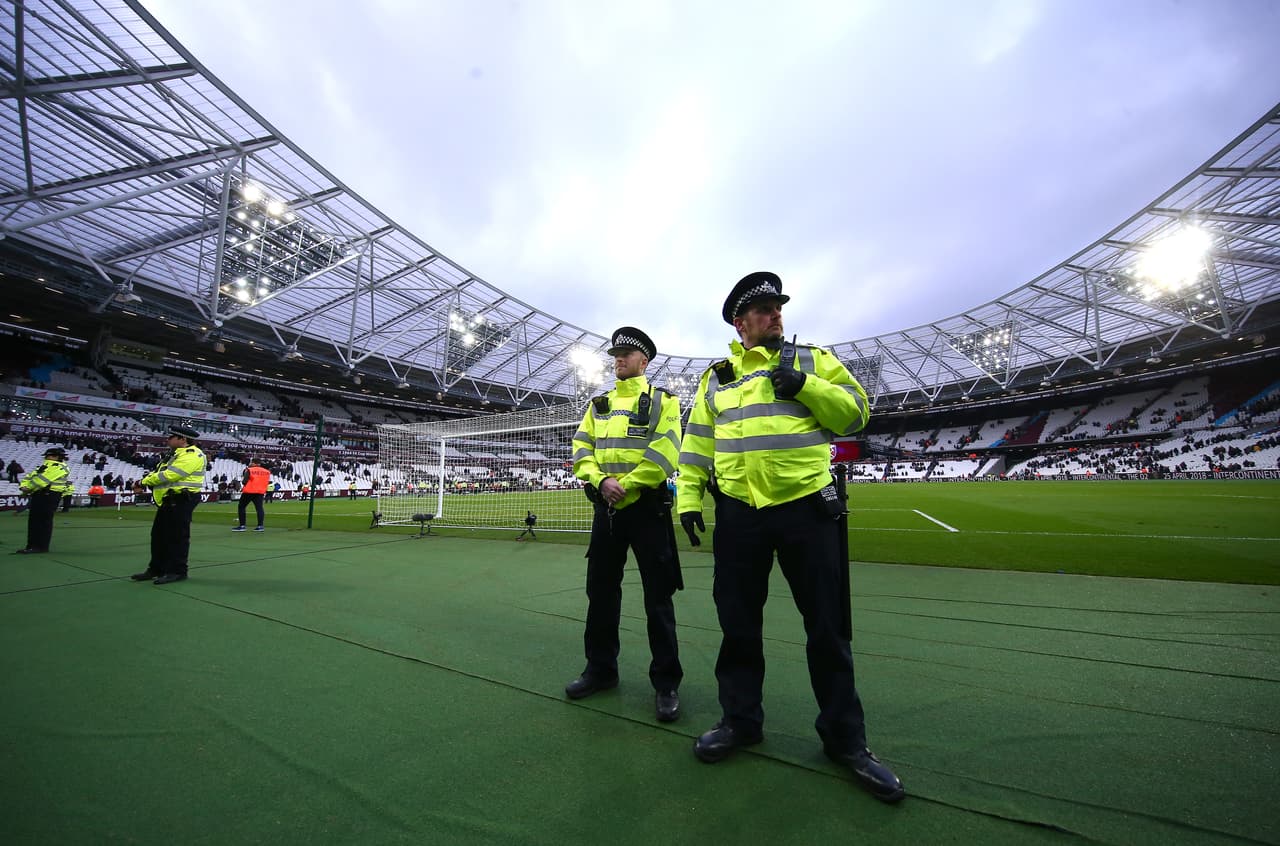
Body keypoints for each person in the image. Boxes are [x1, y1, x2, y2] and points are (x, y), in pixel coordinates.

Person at [676, 271, 904, 803]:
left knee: (827, 629)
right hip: (739, 515)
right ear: (740, 322)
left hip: (807, 511)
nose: (776, 314)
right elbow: (696, 447)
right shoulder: (717, 378)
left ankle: (846, 741)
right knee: (737, 627)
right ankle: (740, 722)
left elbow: (856, 415)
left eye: (778, 307)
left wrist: (805, 386)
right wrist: (688, 499)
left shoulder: (812, 361)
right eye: (763, 310)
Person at [566, 327, 685, 722]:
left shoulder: (664, 401)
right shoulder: (598, 403)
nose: (618, 358)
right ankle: (600, 670)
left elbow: (665, 450)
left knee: (658, 599)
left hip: (647, 511)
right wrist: (601, 481)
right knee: (600, 593)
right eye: (616, 353)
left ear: (643, 361)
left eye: (626, 354)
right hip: (607, 510)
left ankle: (666, 683)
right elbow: (581, 447)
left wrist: (625, 486)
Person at [131, 425, 207, 585]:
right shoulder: (173, 455)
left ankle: (177, 571)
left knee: (177, 537)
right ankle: (157, 569)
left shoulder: (193, 454)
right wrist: (145, 482)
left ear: (183, 439)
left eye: (172, 437)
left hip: (181, 499)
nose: (168, 439)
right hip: (169, 500)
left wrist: (143, 482)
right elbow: (159, 472)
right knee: (158, 536)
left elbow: (172, 474)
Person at [15, 447, 72, 554]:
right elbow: (29, 477)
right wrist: (24, 487)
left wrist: (27, 489)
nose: (47, 457)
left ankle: (40, 546)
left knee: (43, 521)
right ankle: (32, 546)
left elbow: (42, 481)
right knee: (34, 521)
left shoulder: (61, 467)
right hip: (39, 494)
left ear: (56, 457)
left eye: (49, 455)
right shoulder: (44, 466)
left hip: (50, 495)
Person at [233, 458, 270, 532]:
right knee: (259, 508)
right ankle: (260, 526)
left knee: (241, 506)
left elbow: (244, 481)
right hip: (260, 492)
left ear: (253, 463)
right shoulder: (267, 472)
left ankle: (242, 526)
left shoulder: (250, 470)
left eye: (251, 462)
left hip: (249, 490)